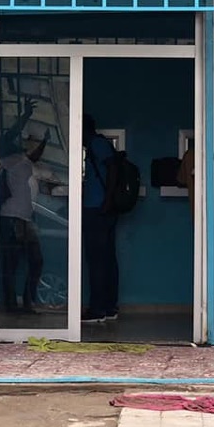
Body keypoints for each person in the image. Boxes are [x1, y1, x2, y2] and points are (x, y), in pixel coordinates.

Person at [0, 98, 49, 314]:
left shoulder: (21, 159)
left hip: (24, 220)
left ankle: (27, 302)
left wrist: (45, 141)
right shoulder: (7, 158)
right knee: (11, 264)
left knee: (34, 262)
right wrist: (26, 115)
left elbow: (34, 156)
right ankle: (11, 305)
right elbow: (10, 134)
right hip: (11, 218)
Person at [81, 113, 119, 323]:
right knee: (106, 259)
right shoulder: (99, 145)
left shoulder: (97, 144)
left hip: (97, 209)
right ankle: (109, 306)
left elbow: (112, 168)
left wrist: (107, 199)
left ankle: (98, 309)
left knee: (97, 260)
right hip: (102, 208)